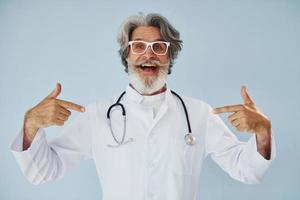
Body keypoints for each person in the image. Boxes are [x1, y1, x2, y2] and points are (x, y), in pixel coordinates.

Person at [10, 13, 275, 200]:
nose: (149, 54)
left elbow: (247, 170)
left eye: (159, 47)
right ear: (126, 56)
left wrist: (263, 132)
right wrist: (30, 126)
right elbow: (44, 172)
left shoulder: (199, 114)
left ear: (170, 58)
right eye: (138, 46)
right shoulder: (97, 115)